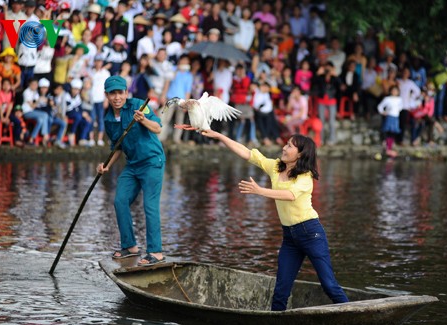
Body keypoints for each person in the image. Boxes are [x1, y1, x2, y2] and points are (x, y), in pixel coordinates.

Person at [201, 129, 349, 310]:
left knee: (329, 285)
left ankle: (356, 317)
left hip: (311, 233)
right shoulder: (276, 167)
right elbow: (248, 153)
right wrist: (220, 136)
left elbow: (290, 195)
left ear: (300, 154)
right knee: (281, 290)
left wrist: (260, 191)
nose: (284, 148)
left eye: (289, 146)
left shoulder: (306, 176)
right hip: (290, 238)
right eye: (286, 144)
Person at [97, 75, 166, 267]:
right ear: (107, 95)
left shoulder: (138, 105)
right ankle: (130, 246)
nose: (117, 97)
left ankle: (156, 251)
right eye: (113, 94)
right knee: (120, 201)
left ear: (126, 93)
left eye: (120, 93)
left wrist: (143, 119)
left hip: (152, 162)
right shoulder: (109, 119)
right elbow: (117, 146)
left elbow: (158, 128)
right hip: (133, 165)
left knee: (150, 206)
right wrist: (106, 165)